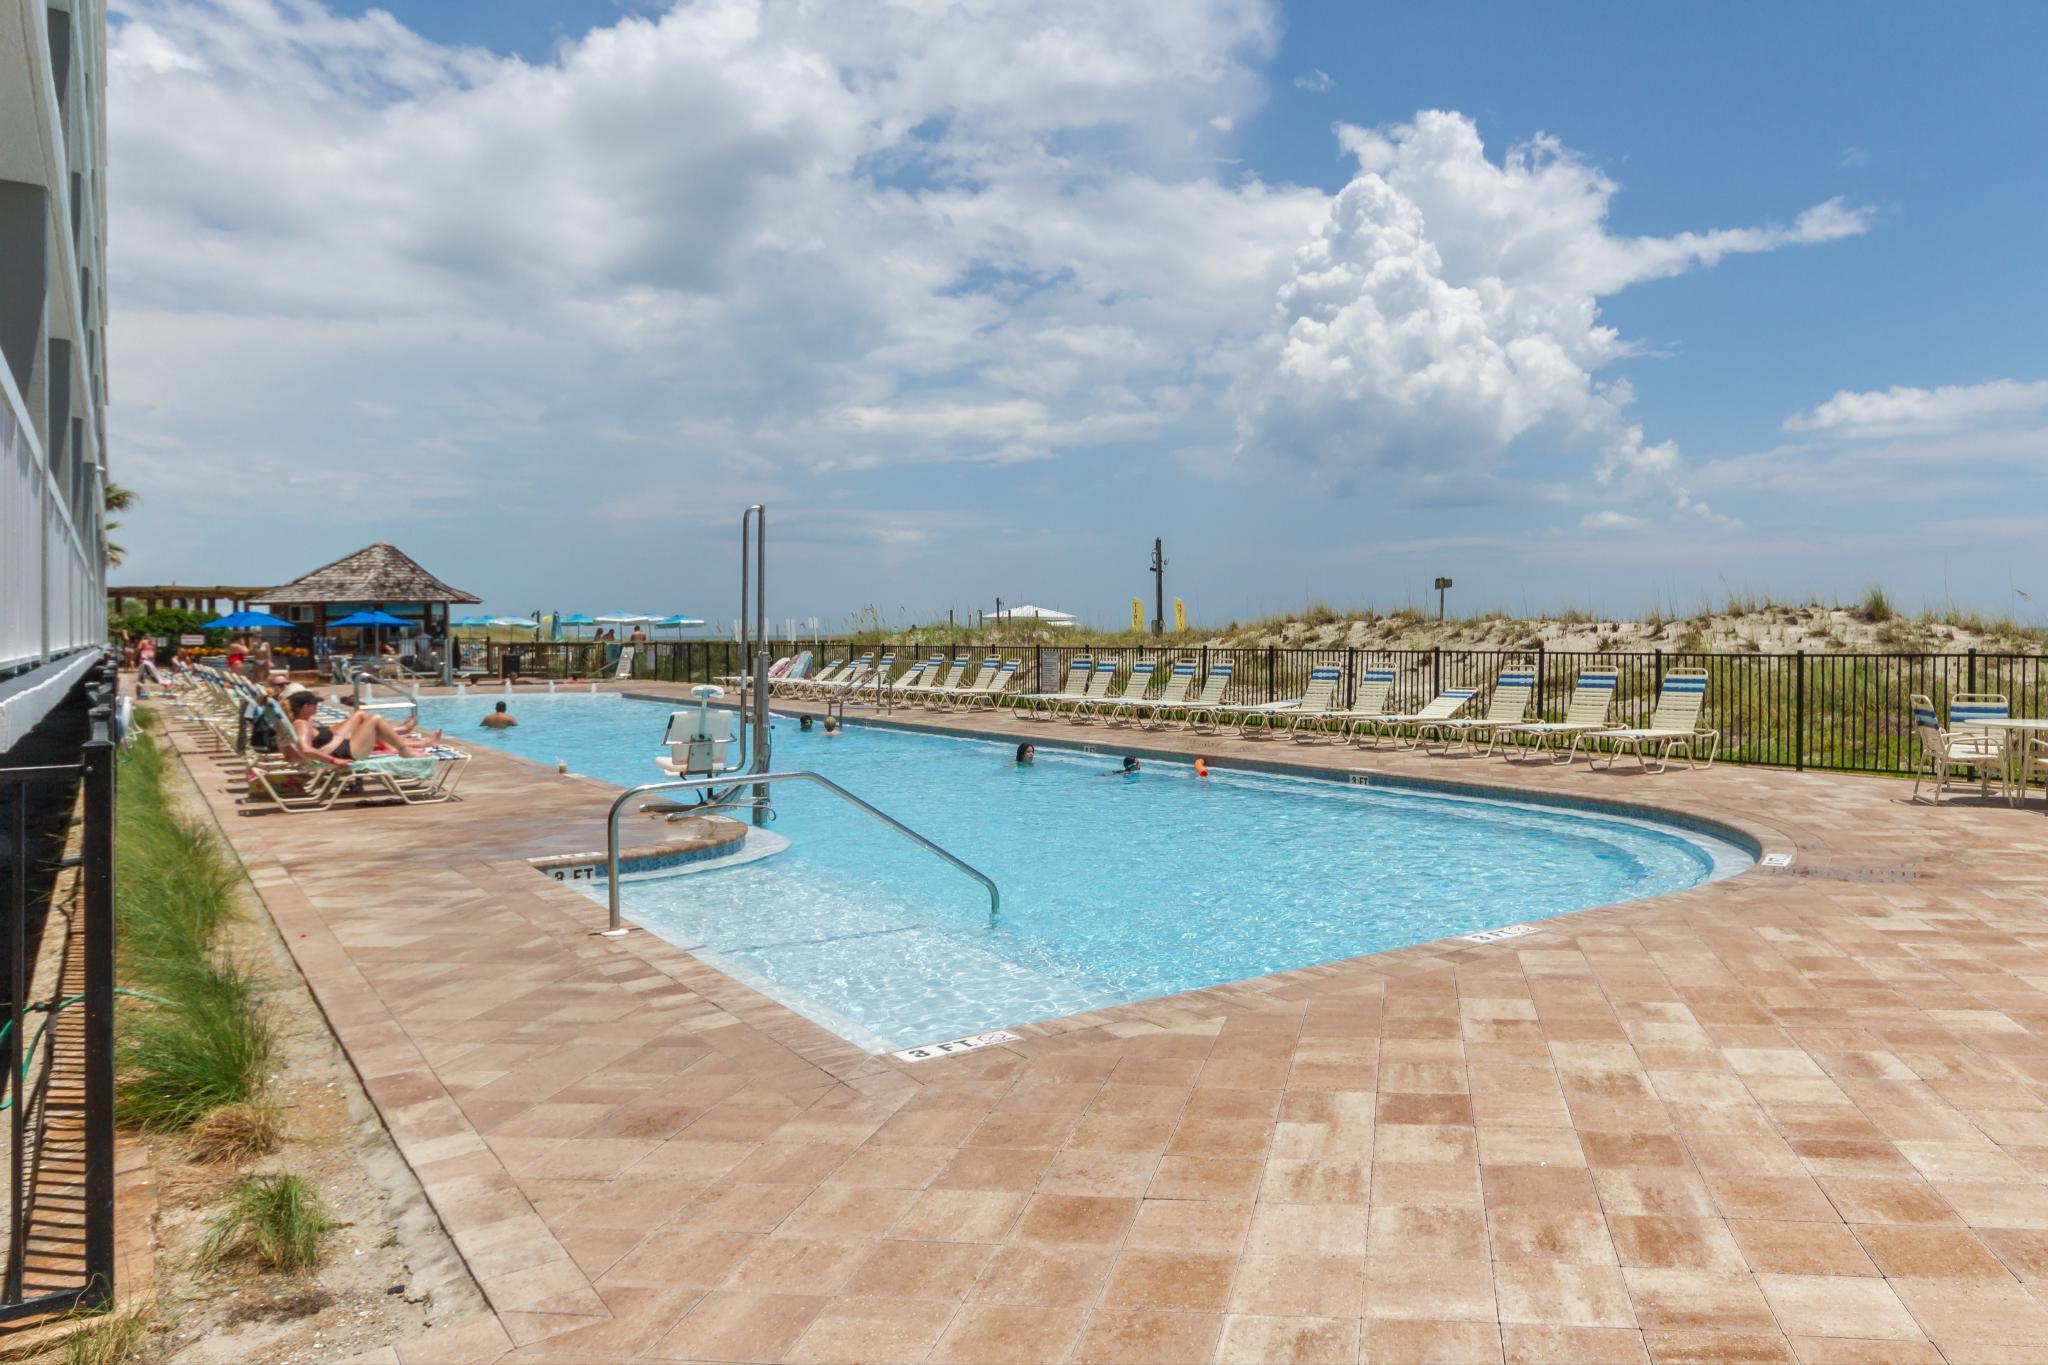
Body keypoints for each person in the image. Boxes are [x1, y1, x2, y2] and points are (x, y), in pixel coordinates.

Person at [286, 691, 440, 762]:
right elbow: (306, 749)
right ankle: (405, 750)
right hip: (347, 753)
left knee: (369, 720)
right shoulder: (301, 724)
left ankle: (406, 744)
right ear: (306, 706)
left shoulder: (303, 723)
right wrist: (334, 761)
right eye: (314, 704)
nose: (316, 707)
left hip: (346, 749)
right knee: (375, 719)